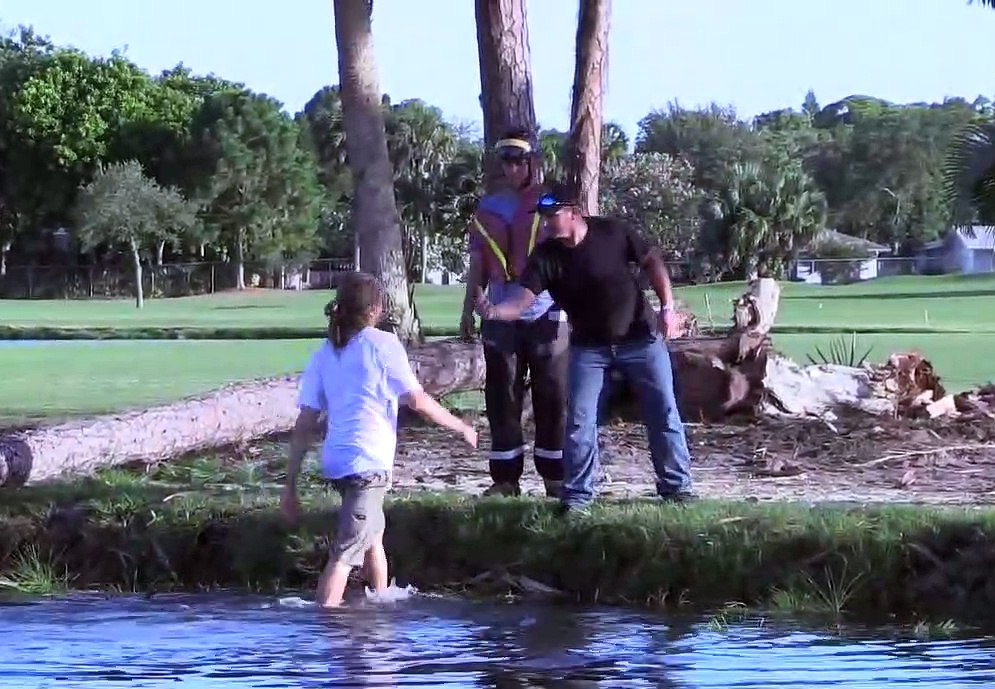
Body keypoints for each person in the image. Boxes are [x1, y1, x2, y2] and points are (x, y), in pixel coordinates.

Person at [475, 186, 697, 515]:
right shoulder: (547, 255)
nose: (547, 224)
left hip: (641, 339)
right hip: (590, 349)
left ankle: (676, 488)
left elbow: (652, 262)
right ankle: (578, 496)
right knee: (580, 422)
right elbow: (523, 298)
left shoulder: (612, 232)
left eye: (553, 217)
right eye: (544, 218)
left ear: (574, 212)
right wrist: (494, 311)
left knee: (663, 412)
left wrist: (667, 308)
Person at [282, 272, 478, 607]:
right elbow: (417, 400)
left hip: (340, 462)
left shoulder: (326, 352)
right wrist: (460, 427)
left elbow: (305, 421)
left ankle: (380, 605)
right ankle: (324, 626)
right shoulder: (383, 345)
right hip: (368, 463)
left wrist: (290, 484)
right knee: (344, 553)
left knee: (373, 537)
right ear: (375, 309)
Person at [459, 128, 569, 498]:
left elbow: (568, 251)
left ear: (532, 162)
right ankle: (505, 478)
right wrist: (467, 309)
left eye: (519, 160)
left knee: (551, 394)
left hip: (546, 312)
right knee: (502, 395)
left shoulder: (551, 201)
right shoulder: (487, 207)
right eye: (506, 160)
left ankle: (555, 475)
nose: (512, 167)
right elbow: (477, 262)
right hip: (499, 313)